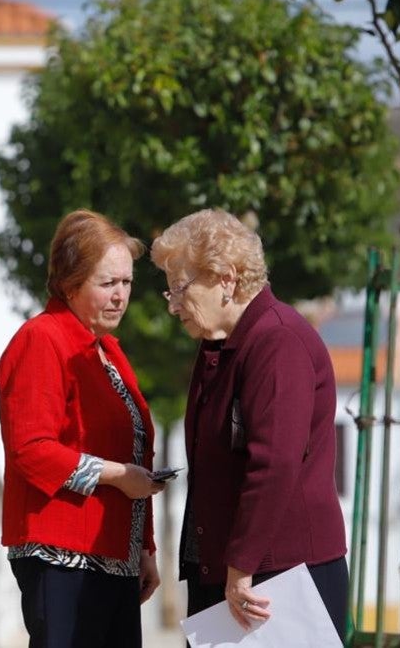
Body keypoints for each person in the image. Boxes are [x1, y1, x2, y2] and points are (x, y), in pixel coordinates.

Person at [149, 209, 348, 637]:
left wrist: (240, 568)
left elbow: (274, 464)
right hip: (236, 573)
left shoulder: (278, 341)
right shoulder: (220, 345)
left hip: (278, 578)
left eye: (180, 289)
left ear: (226, 279)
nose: (174, 305)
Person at [0, 209, 167, 648]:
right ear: (70, 283)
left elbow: (134, 456)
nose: (120, 297)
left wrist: (143, 548)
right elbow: (31, 450)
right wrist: (114, 475)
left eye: (127, 283)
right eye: (107, 283)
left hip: (114, 561)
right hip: (61, 561)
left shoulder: (109, 350)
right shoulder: (41, 339)